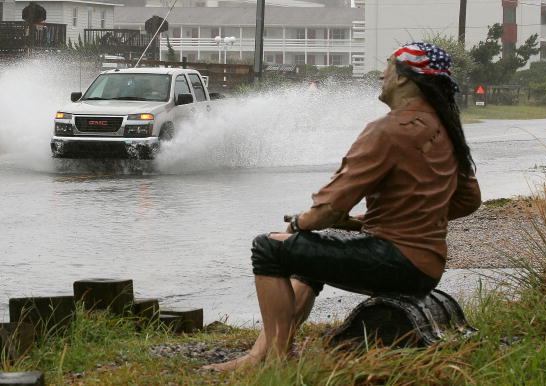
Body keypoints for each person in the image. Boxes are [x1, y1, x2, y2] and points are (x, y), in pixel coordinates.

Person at [204, 42, 481, 371]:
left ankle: (272, 362)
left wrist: (298, 225)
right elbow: (468, 200)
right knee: (307, 259)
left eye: (389, 66)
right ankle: (264, 351)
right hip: (428, 267)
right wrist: (375, 222)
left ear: (405, 79)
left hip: (395, 262)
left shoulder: (388, 130)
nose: (382, 74)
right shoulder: (446, 129)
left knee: (269, 247)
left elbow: (330, 208)